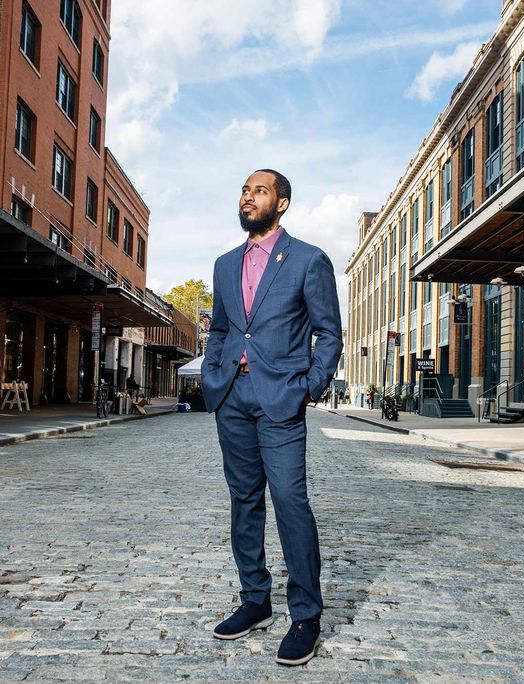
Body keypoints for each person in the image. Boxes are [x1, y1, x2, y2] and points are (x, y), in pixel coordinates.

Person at [202, 169, 342, 667]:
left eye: (258, 191)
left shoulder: (308, 260)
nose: (247, 197)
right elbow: (219, 327)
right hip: (232, 398)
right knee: (244, 500)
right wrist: (213, 375)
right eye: (243, 189)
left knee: (289, 499)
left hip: (282, 398)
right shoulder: (223, 265)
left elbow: (330, 334)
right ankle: (255, 601)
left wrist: (309, 387)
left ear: (281, 203)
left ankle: (305, 614)